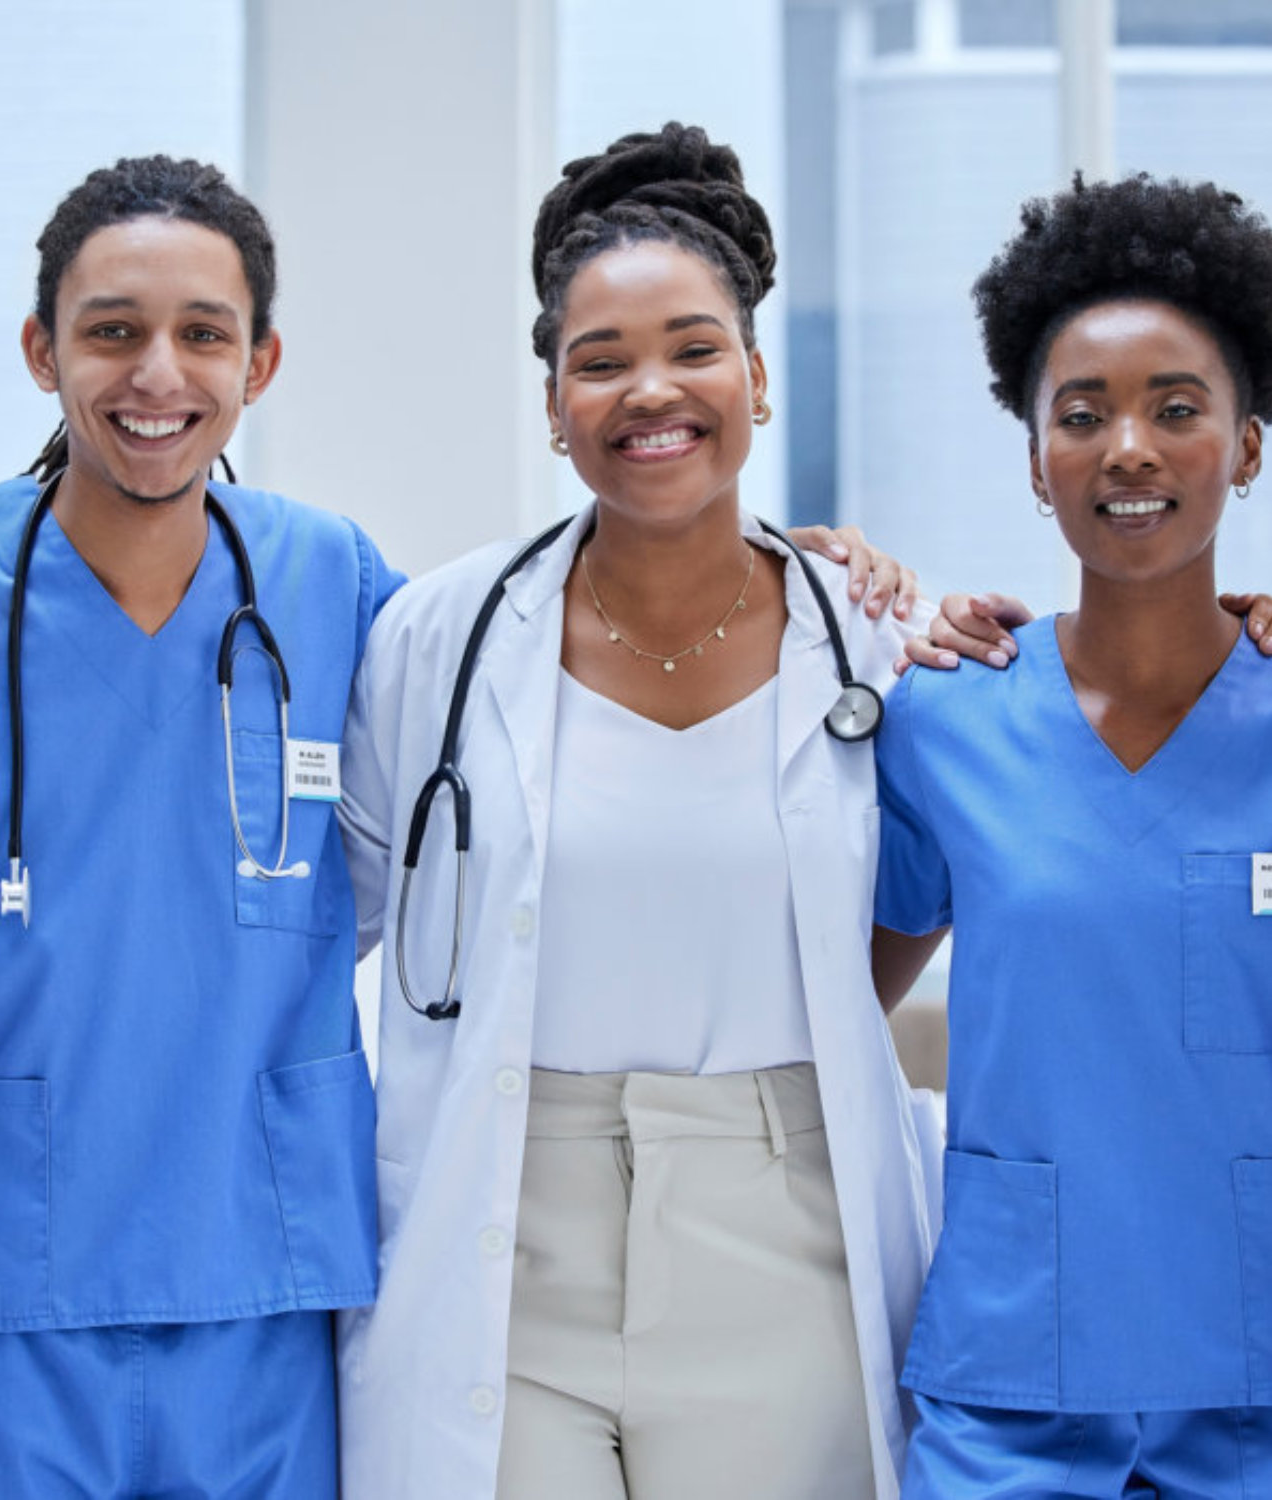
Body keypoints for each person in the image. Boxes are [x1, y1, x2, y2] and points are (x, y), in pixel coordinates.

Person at [336, 122, 943, 1500]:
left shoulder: (879, 640)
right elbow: (327, 932)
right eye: (598, 363)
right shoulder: (434, 635)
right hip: (504, 1232)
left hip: (787, 1236)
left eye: (693, 346)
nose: (648, 391)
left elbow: (932, 884)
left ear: (759, 377)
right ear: (551, 402)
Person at [0, 156, 402, 1497]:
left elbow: (562, 666)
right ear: (42, 351)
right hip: (12, 1274)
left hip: (263, 1266)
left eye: (202, 334)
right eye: (112, 331)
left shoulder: (332, 577)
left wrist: (771, 572)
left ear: (259, 363)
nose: (158, 374)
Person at [873, 173, 1272, 1497]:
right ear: (1038, 466)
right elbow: (831, 1006)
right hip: (1016, 1388)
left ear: (1250, 446)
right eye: (1082, 415)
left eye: (1178, 409)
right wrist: (803, 574)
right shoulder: (946, 718)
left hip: (1254, 1382)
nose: (1130, 450)